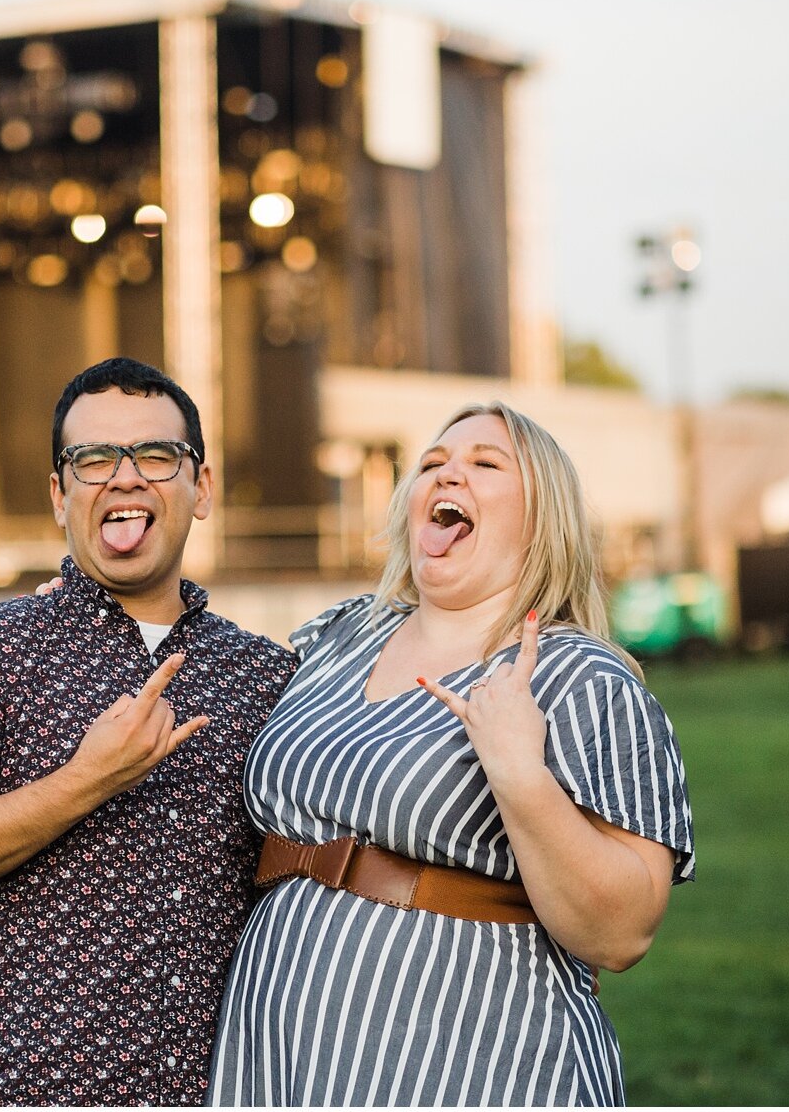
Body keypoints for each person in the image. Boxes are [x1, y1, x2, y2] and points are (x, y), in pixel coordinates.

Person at [207, 402, 695, 1107]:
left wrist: (519, 772)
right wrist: (86, 615)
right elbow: (212, 687)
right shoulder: (340, 637)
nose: (447, 473)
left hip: (469, 1062)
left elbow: (622, 932)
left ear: (541, 517)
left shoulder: (580, 680)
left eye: (485, 464)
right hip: (282, 1052)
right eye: (432, 463)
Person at [0, 358, 297, 1106]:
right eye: (94, 458)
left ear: (201, 488)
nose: (125, 477)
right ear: (58, 494)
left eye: (157, 456)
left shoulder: (265, 676)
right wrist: (85, 780)